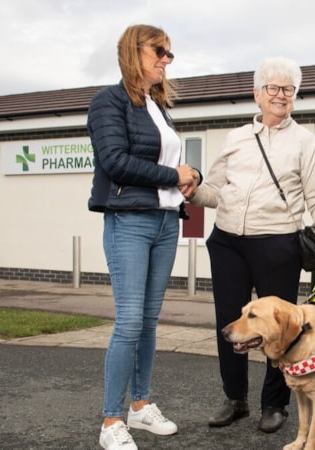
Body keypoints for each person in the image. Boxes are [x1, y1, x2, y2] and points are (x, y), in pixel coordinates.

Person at [188, 56, 315, 434]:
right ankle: (235, 399)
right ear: (257, 94)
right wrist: (192, 190)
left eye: (288, 89)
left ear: (295, 96)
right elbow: (216, 191)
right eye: (272, 88)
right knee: (231, 322)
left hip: (277, 243)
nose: (280, 95)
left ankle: (275, 404)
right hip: (227, 242)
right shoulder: (237, 138)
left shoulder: (306, 143)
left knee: (281, 328)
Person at [87, 24, 201, 450]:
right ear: (134, 51)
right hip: (129, 222)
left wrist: (192, 177)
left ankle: (140, 407)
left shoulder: (157, 106)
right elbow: (115, 161)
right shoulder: (108, 101)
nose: (166, 60)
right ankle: (111, 421)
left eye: (170, 53)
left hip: (166, 221)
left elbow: (168, 163)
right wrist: (175, 175)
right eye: (160, 51)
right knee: (130, 320)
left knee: (149, 322)